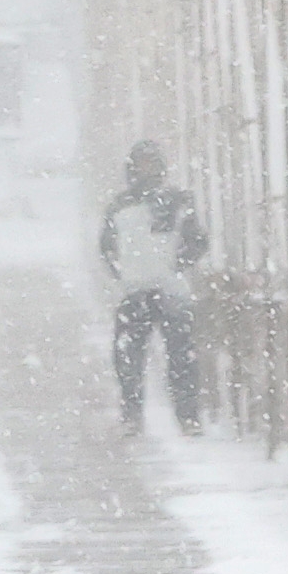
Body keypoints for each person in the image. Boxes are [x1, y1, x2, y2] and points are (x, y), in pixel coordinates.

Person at [95, 140, 210, 432]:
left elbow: (198, 241)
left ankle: (187, 416)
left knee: (180, 357)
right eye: (142, 164)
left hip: (169, 291)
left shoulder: (176, 201)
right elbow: (106, 247)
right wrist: (124, 273)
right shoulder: (121, 206)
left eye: (152, 163)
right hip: (137, 291)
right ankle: (134, 414)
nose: (148, 170)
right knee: (130, 358)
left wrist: (174, 265)